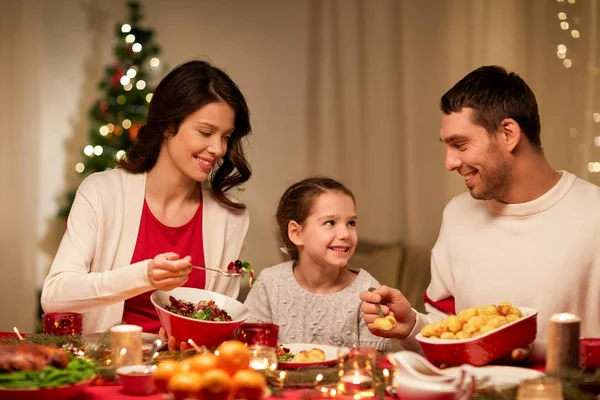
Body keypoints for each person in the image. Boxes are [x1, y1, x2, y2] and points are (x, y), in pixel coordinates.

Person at [360, 65, 600, 362]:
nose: (449, 162)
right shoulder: (457, 214)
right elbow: (448, 331)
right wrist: (411, 325)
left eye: (460, 144)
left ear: (508, 134)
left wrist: (536, 350)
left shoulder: (594, 215)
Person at [42, 60, 252, 338]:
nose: (218, 149)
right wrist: (144, 277)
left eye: (225, 137)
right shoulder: (102, 192)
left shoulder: (230, 219)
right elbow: (54, 296)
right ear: (168, 126)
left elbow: (219, 325)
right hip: (107, 367)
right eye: (205, 132)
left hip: (185, 373)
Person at [244, 177, 390, 351]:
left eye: (351, 223)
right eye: (330, 223)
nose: (345, 234)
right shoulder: (270, 284)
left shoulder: (368, 292)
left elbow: (371, 367)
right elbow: (251, 353)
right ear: (296, 233)